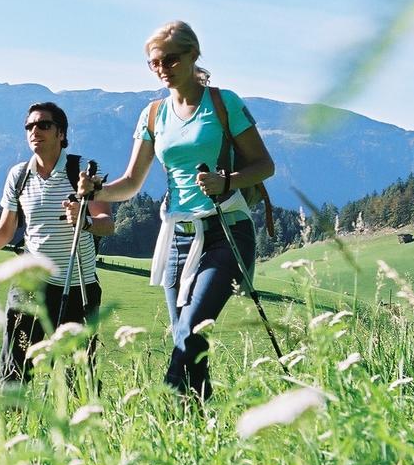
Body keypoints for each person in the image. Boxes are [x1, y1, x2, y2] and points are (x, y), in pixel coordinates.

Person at [79, 21, 275, 397]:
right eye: (154, 63)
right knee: (188, 343)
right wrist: (96, 191)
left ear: (193, 56)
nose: (162, 69)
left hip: (226, 229)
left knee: (190, 331)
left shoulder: (223, 103)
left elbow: (264, 166)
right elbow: (132, 183)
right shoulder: (153, 114)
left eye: (170, 59)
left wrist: (227, 181)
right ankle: (197, 427)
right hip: (178, 237)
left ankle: (168, 401)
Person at [0, 102, 114, 383]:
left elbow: (107, 225)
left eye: (43, 125)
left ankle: (82, 425)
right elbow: (5, 230)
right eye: (29, 126)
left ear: (61, 134)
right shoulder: (19, 175)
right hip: (30, 284)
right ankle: (12, 424)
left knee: (79, 376)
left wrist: (84, 221)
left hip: (78, 285)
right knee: (14, 366)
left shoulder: (82, 173)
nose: (34, 131)